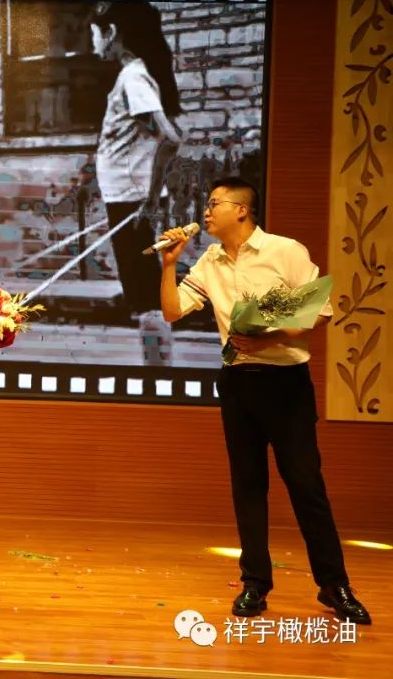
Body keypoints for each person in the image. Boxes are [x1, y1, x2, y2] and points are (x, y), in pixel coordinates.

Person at [157, 176, 371, 624]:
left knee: (306, 485)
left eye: (214, 203)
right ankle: (255, 583)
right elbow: (173, 311)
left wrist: (268, 336)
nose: (206, 211)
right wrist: (169, 264)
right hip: (238, 383)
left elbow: (320, 312)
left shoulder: (284, 251)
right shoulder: (210, 260)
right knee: (248, 485)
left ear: (242, 210)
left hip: (285, 383)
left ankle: (334, 585)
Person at [90, 1, 183, 365]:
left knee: (143, 294)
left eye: (95, 34)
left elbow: (169, 138)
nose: (93, 44)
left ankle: (157, 374)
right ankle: (156, 369)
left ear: (111, 32)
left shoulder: (133, 77)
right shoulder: (132, 76)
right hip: (126, 197)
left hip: (133, 200)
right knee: (141, 291)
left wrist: (151, 199)